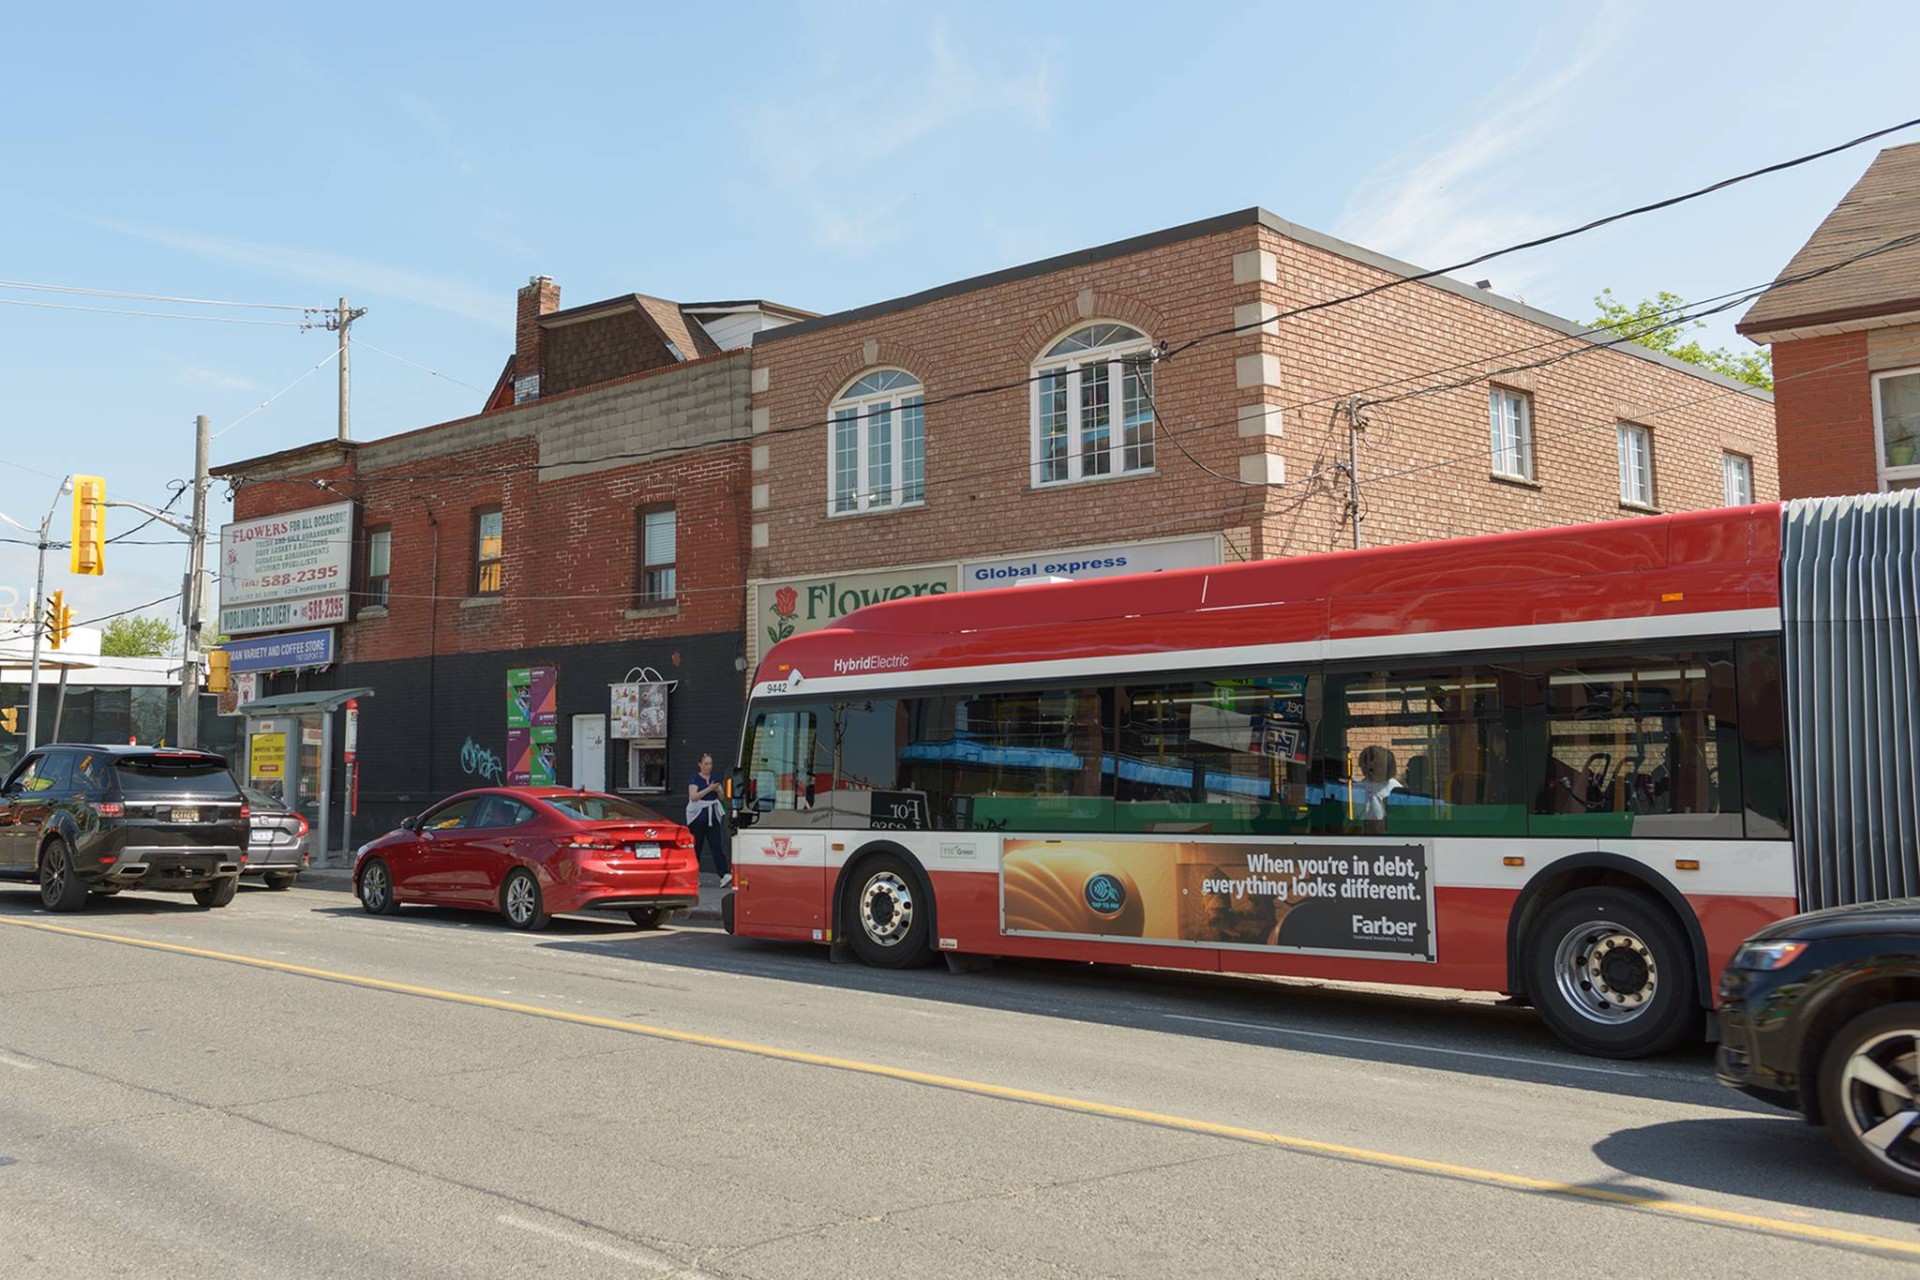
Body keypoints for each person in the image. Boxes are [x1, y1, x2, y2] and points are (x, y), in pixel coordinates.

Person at [687, 753, 731, 886]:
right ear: (700, 764)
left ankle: (724, 874)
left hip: (712, 815)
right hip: (698, 816)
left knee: (716, 845)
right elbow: (693, 796)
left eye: (710, 764)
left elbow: (722, 798)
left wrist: (718, 790)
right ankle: (693, 876)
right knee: (696, 847)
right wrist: (709, 789)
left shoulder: (715, 778)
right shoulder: (694, 779)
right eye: (706, 764)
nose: (708, 767)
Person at [1352, 744, 1401, 833]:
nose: (1370, 766)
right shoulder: (1357, 788)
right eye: (1366, 762)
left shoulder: (1395, 788)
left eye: (1375, 763)